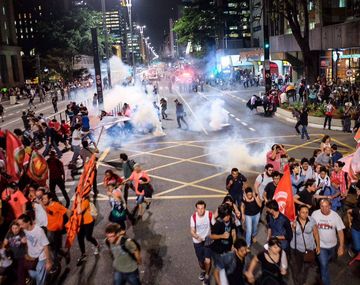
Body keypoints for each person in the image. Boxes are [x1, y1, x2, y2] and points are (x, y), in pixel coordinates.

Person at [311, 199, 345, 285]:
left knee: (329, 259)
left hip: (333, 245)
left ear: (330, 206)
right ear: (320, 207)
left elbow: (340, 232)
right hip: (321, 245)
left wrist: (341, 246)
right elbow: (311, 228)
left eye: (326, 206)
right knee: (324, 265)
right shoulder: (315, 214)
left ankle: (322, 264)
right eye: (322, 206)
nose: (324, 208)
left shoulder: (335, 216)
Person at [289, 205, 320, 285]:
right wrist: (293, 227)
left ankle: (302, 281)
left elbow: (316, 233)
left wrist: (318, 246)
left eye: (307, 212)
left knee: (306, 268)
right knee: (296, 268)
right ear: (298, 212)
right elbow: (291, 232)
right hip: (296, 249)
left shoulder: (311, 220)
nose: (305, 214)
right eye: (303, 212)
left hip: (308, 249)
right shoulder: (293, 220)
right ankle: (297, 282)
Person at [17, 214, 52, 285]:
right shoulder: (25, 230)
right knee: (32, 274)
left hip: (41, 257)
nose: (20, 226)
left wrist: (48, 261)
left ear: (28, 222)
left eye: (22, 224)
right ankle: (45, 276)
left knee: (39, 281)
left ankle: (43, 277)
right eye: (19, 224)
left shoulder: (39, 231)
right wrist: (25, 240)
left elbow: (46, 246)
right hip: (31, 258)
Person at [42, 192, 71, 269]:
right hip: (49, 229)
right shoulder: (47, 205)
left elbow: (68, 211)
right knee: (52, 248)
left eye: (45, 198)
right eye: (43, 199)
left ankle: (55, 266)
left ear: (50, 199)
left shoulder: (57, 205)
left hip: (56, 231)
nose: (43, 200)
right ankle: (65, 255)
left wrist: (70, 222)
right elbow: (47, 210)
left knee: (54, 248)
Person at [210, 203, 236, 285]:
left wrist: (233, 244)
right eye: (226, 216)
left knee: (226, 270)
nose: (227, 217)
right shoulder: (218, 224)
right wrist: (222, 236)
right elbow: (212, 236)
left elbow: (233, 232)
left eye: (228, 215)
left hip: (228, 249)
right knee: (219, 269)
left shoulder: (231, 220)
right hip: (218, 252)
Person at [190, 200, 212, 283]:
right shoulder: (193, 217)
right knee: (201, 262)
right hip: (197, 241)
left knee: (208, 260)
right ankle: (205, 270)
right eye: (199, 208)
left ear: (205, 208)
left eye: (202, 208)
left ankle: (207, 275)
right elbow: (192, 231)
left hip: (207, 240)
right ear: (196, 209)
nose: (201, 210)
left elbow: (214, 224)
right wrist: (196, 236)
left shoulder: (209, 214)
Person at [76, 195, 100, 265]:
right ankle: (83, 254)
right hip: (80, 223)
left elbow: (79, 211)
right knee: (80, 238)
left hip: (88, 222)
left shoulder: (85, 201)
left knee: (88, 237)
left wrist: (78, 202)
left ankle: (96, 244)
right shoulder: (79, 201)